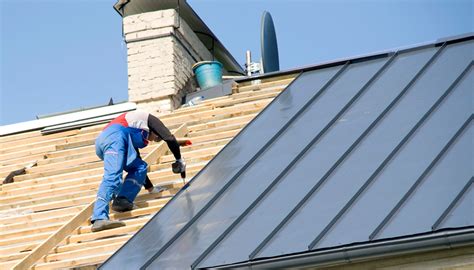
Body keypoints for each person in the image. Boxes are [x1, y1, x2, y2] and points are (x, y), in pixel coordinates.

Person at [91, 110, 186, 232]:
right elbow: (169, 138)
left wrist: (151, 189)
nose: (152, 140)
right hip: (114, 138)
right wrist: (179, 160)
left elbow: (138, 159)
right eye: (155, 138)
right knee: (113, 176)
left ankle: (122, 200)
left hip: (118, 140)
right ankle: (99, 218)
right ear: (154, 131)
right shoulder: (150, 119)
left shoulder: (134, 131)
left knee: (140, 167)